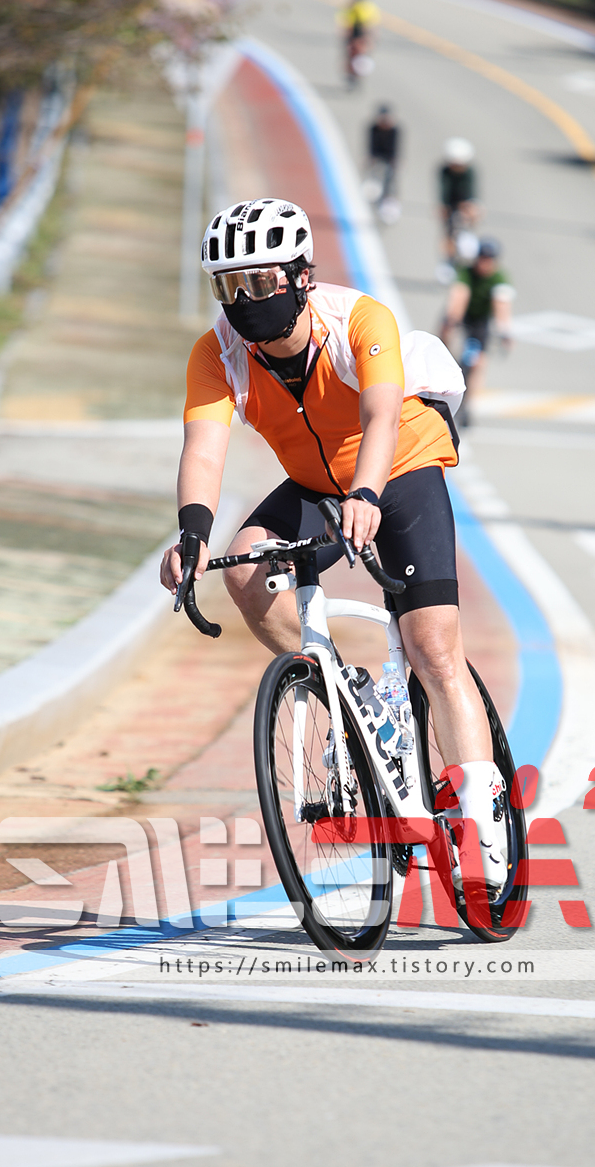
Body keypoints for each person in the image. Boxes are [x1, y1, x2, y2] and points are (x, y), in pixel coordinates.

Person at [160, 198, 512, 890]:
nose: (244, 300)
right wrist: (192, 534)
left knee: (433, 648)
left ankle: (481, 818)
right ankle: (346, 691)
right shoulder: (216, 352)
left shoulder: (358, 319)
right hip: (314, 484)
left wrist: (368, 496)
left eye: (259, 282)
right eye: (229, 286)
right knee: (244, 570)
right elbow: (202, 449)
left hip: (400, 467)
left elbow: (381, 416)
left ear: (300, 276)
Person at [440, 237, 514, 426]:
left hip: (480, 321)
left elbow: (502, 305)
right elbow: (459, 295)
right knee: (446, 334)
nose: (485, 264)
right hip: (463, 316)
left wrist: (505, 331)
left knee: (479, 363)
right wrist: (452, 320)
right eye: (482, 259)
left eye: (489, 260)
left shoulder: (499, 278)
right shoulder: (466, 272)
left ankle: (469, 405)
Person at [437, 138, 479, 282]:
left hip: (466, 203)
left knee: (472, 217)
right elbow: (444, 191)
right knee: (448, 233)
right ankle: (447, 262)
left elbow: (471, 193)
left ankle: (467, 261)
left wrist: (469, 210)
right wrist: (443, 207)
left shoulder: (469, 173)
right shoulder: (444, 171)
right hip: (451, 204)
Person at [338, 0, 380, 89]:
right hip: (365, 35)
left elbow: (347, 24)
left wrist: (345, 36)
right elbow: (374, 26)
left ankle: (352, 74)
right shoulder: (371, 7)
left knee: (352, 55)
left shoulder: (355, 7)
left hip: (358, 34)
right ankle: (357, 75)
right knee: (361, 55)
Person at [365, 103, 400, 221]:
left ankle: (387, 200)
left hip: (389, 158)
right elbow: (371, 145)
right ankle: (374, 198)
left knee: (390, 179)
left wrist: (395, 161)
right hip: (377, 156)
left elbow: (395, 148)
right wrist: (371, 158)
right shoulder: (374, 129)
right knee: (374, 176)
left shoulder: (394, 130)